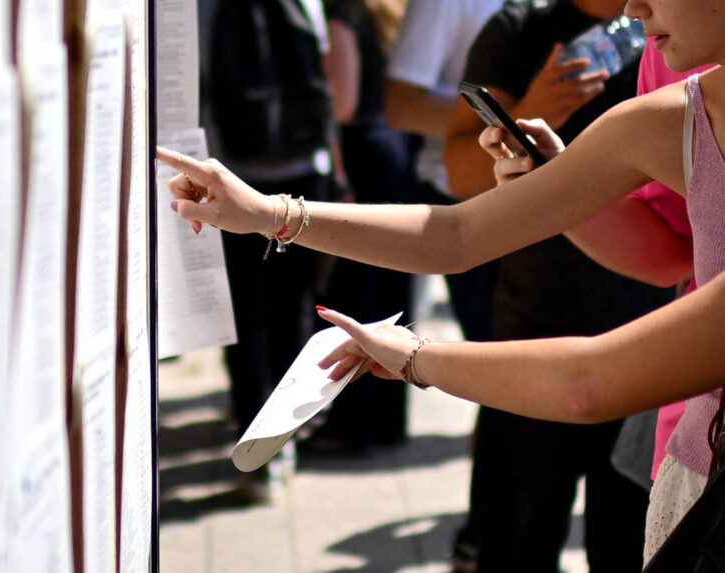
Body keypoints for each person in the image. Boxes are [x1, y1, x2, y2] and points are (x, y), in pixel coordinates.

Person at [159, 0, 725, 562]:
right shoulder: (670, 114)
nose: (631, 5)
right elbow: (456, 234)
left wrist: (415, 358)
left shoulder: (673, 107)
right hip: (694, 461)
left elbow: (589, 382)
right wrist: (267, 213)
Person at [442, 1, 675, 569]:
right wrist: (534, 109)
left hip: (655, 345)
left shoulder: (678, 33)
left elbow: (677, 242)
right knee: (515, 545)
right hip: (533, 336)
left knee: (628, 551)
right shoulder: (521, 27)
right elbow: (458, 175)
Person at [478, 41, 714, 486]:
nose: (633, 8)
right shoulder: (665, 57)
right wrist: (556, 181)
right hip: (693, 430)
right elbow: (673, 250)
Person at [200, 0, 337, 501]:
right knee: (293, 308)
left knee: (243, 313)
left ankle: (255, 438)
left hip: (231, 175)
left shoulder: (202, 8)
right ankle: (282, 438)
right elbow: (326, 77)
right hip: (302, 170)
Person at [305, 0, 416, 451]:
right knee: (389, 290)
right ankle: (385, 423)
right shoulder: (385, 10)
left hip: (362, 154)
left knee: (357, 293)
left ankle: (354, 427)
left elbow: (343, 103)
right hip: (390, 146)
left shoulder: (343, 11)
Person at [385, 0, 503, 345]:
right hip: (463, 198)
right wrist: (515, 120)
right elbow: (402, 105)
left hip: (541, 196)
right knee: (501, 366)